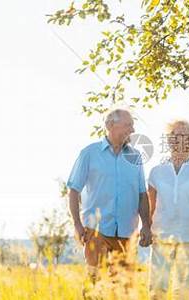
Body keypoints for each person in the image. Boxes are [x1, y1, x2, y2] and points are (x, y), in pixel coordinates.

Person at [66, 108, 152, 283]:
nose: (133, 130)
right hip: (97, 231)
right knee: (95, 285)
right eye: (128, 125)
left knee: (123, 289)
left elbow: (142, 194)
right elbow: (73, 190)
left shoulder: (135, 157)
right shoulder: (89, 154)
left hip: (127, 233)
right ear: (110, 125)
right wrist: (77, 224)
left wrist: (146, 226)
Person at [147, 120, 189, 300]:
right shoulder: (156, 172)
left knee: (182, 291)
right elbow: (150, 207)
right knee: (157, 289)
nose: (177, 139)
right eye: (174, 135)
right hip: (161, 237)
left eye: (183, 136)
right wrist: (144, 229)